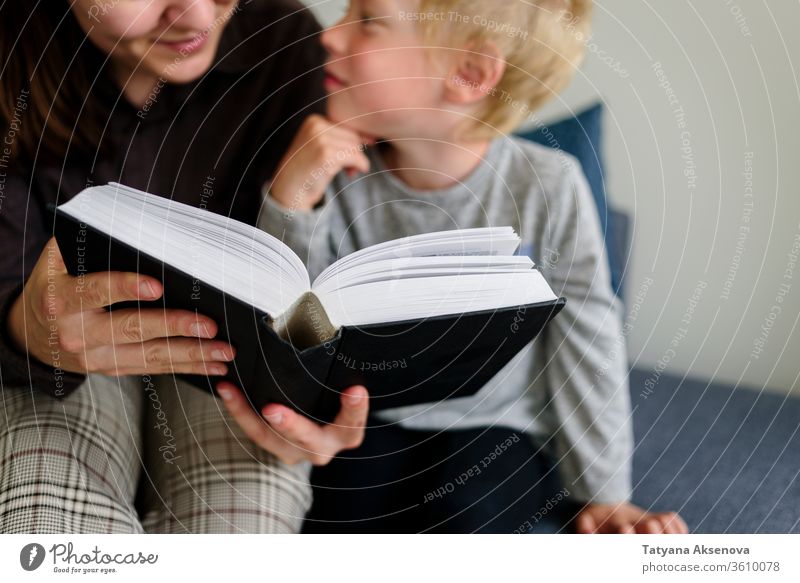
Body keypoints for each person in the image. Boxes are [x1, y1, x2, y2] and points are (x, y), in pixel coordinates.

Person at [259, 0, 690, 533]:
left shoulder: (549, 185)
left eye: (368, 20)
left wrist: (603, 493)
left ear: (469, 74)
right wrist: (291, 202)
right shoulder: (335, 173)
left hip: (495, 429)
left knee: (470, 517)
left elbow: (588, 333)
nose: (331, 34)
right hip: (366, 421)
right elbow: (290, 332)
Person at [0, 0, 369, 534]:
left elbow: (300, 282)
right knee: (47, 517)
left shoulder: (286, 43)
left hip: (228, 365)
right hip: (47, 368)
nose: (198, 17)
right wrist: (28, 330)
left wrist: (315, 398)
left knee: (247, 523)